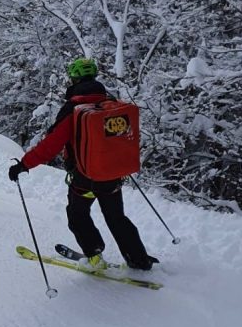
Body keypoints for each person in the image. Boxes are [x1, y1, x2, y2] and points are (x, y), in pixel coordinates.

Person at [8, 57, 157, 271]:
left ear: (73, 79)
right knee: (117, 218)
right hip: (112, 177)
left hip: (84, 180)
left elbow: (50, 145)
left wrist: (23, 165)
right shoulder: (111, 103)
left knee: (77, 215)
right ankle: (139, 260)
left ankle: (94, 257)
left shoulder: (74, 109)